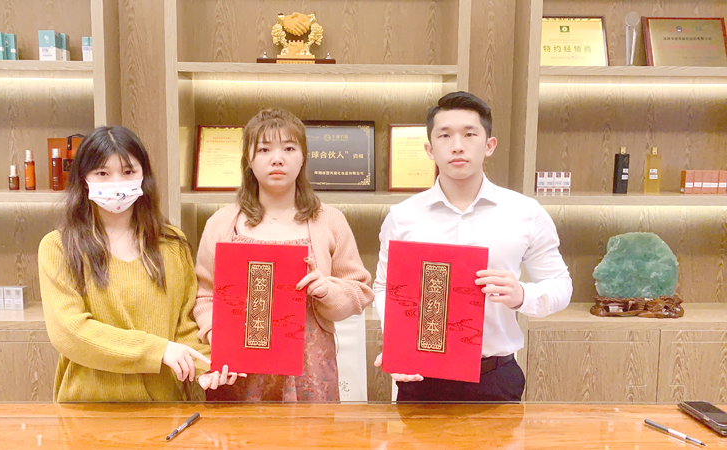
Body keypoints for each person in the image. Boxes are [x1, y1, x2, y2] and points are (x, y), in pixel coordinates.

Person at [373, 91, 573, 402]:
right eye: (444, 135)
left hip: (494, 376)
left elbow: (560, 285)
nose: (457, 145)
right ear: (429, 149)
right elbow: (385, 288)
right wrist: (399, 341)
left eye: (469, 134)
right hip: (421, 376)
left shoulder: (525, 212)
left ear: (489, 145)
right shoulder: (403, 216)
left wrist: (522, 295)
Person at [38, 126, 236, 401]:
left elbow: (183, 326)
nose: (116, 183)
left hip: (163, 406)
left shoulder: (172, 243)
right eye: (102, 173)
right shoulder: (59, 246)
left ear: (144, 176)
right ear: (84, 179)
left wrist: (205, 367)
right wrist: (157, 351)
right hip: (89, 407)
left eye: (128, 171)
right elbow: (70, 333)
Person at [192, 108, 374, 401]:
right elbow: (204, 296)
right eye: (264, 149)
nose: (277, 159)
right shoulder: (221, 223)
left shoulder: (329, 220)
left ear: (303, 158)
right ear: (248, 159)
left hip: (310, 370)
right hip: (240, 371)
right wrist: (217, 336)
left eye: (289, 148)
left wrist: (328, 290)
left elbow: (359, 292)